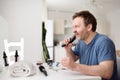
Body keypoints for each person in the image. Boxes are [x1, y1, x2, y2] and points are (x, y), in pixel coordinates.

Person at [61, 11, 119, 80]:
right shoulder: (81, 42)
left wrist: (75, 66)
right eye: (73, 27)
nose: (73, 30)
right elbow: (73, 60)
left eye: (76, 26)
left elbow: (107, 72)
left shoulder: (104, 42)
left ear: (89, 27)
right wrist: (68, 50)